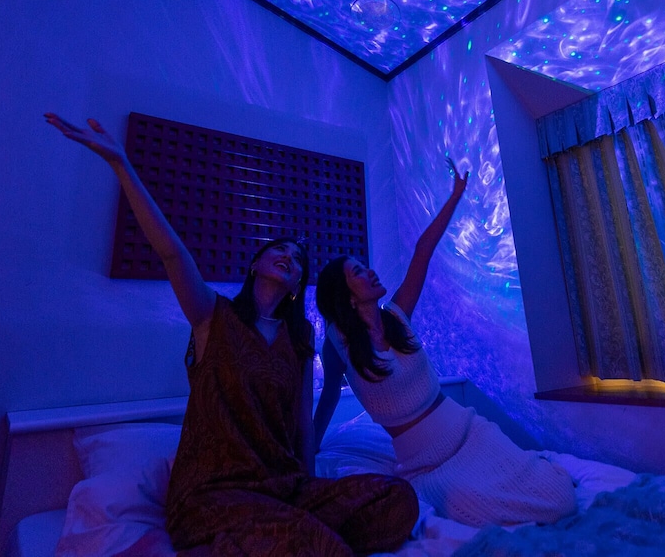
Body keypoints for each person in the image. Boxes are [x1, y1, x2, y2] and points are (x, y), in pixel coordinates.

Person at [45, 114, 418, 556]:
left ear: (297, 284)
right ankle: (255, 540)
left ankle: (267, 539)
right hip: (213, 496)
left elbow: (303, 422)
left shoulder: (299, 338)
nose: (289, 256)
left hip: (284, 488)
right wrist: (121, 164)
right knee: (317, 544)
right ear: (255, 264)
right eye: (279, 249)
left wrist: (311, 489)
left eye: (298, 260)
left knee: (396, 499)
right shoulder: (213, 317)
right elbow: (170, 252)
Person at [313, 158, 577, 528]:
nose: (370, 271)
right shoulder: (338, 345)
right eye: (358, 271)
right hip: (427, 464)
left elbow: (423, 250)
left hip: (470, 432)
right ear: (347, 297)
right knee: (477, 510)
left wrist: (456, 195)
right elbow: (328, 397)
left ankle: (540, 470)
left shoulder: (397, 316)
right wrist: (308, 451)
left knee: (558, 498)